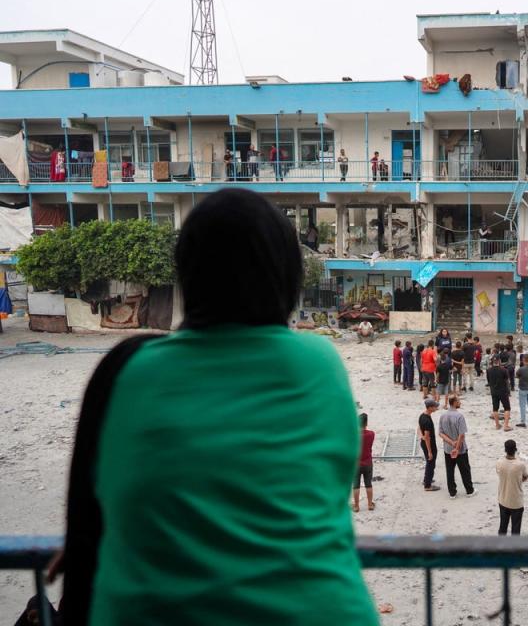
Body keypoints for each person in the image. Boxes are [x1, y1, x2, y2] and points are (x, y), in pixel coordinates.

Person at [57, 188, 378, 625]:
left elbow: (85, 531)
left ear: (188, 273)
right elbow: (325, 491)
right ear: (286, 274)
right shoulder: (319, 365)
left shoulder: (126, 372)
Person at [439, 395, 475, 498]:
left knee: (450, 471)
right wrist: (457, 447)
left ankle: (452, 492)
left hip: (447, 449)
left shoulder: (443, 416)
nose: (460, 403)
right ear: (454, 402)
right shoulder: (459, 416)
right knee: (465, 470)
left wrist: (451, 443)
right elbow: (461, 434)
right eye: (458, 401)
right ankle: (469, 490)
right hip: (460, 450)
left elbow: (441, 433)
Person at [496, 439, 528, 535]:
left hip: (503, 500)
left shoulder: (499, 462)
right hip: (516, 502)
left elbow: (499, 473)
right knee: (515, 530)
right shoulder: (520, 465)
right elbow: (525, 477)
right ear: (515, 450)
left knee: (503, 527)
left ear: (505, 450)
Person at [353, 413, 376, 512]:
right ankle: (370, 504)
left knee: (356, 485)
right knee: (368, 484)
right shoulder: (371, 434)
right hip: (368, 462)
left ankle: (356, 506)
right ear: (366, 423)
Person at [418, 399, 442, 492]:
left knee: (429, 463)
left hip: (423, 443)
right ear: (430, 407)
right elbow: (427, 437)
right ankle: (428, 485)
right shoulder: (427, 420)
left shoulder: (422, 416)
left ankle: (426, 480)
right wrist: (430, 451)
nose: (436, 408)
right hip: (429, 445)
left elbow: (419, 428)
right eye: (435, 406)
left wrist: (422, 436)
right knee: (431, 464)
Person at [487, 357, 512, 431]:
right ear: (499, 361)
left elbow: (489, 381)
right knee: (507, 408)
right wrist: (509, 391)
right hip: (503, 391)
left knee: (495, 408)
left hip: (494, 391)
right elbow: (507, 381)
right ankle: (506, 425)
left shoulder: (488, 370)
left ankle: (497, 425)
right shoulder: (504, 370)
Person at [515, 354, 528, 428]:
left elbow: (516, 375)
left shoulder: (521, 369)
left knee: (522, 406)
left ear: (523, 360)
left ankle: (523, 421)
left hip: (523, 388)